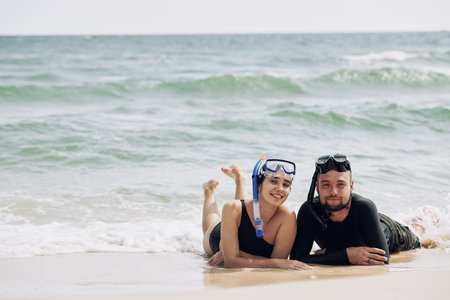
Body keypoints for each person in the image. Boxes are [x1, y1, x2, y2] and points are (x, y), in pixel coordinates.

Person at [290, 154, 421, 265]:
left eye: (340, 184)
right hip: (361, 232)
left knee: (419, 235)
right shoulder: (309, 210)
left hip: (393, 233)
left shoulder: (365, 207)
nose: (333, 192)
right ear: (317, 187)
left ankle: (423, 219)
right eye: (326, 185)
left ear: (351, 186)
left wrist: (330, 254)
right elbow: (297, 259)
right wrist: (346, 255)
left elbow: (383, 261)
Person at [202, 158, 311, 270]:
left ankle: (239, 179)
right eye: (273, 181)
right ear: (258, 185)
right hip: (217, 236)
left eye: (286, 184)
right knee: (211, 225)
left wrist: (238, 255)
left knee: (248, 206)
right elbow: (231, 263)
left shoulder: (287, 216)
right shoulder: (231, 208)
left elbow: (277, 261)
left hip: (246, 217)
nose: (280, 189)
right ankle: (209, 190)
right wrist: (234, 257)